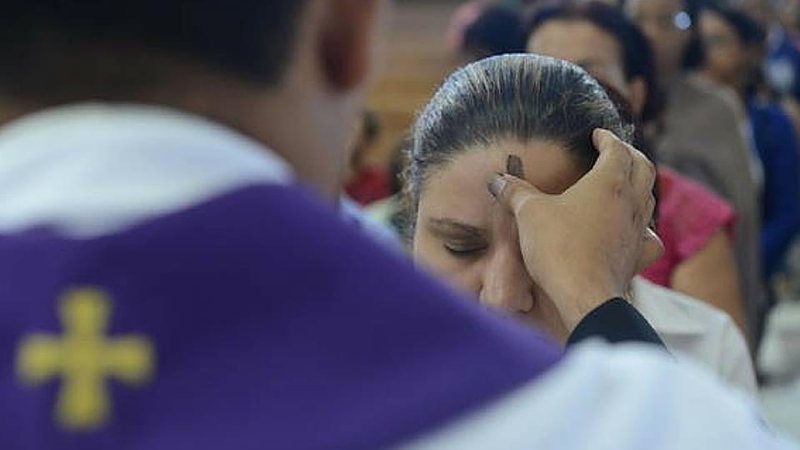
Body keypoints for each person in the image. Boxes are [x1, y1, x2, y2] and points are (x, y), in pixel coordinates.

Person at [0, 1, 794, 449]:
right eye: (460, 243)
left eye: (548, 249)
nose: (502, 295)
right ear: (349, 35)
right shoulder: (632, 423)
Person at [408, 53, 755, 395]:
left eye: (541, 251)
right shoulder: (366, 364)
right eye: (461, 248)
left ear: (629, 236)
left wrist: (596, 304)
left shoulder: (704, 351)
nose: (502, 297)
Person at [525, 1, 749, 341]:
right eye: (538, 77)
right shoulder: (490, 200)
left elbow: (712, 375)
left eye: (587, 76)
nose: (557, 99)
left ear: (635, 92)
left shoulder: (686, 215)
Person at [625, 0, 767, 347]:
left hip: (709, 264)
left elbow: (744, 209)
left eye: (668, 21)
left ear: (692, 29)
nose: (653, 33)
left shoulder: (716, 106)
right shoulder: (614, 102)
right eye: (641, 19)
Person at [699, 4, 800, 284]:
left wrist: (744, 261)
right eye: (701, 41)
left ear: (749, 51)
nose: (706, 53)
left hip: (754, 267)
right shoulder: (678, 123)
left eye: (718, 41)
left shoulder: (771, 122)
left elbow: (788, 211)